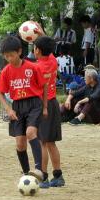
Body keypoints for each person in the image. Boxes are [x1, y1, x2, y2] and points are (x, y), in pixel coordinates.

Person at [0, 36, 47, 180]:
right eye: (6, 56)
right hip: (17, 106)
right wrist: (9, 109)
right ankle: (26, 174)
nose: (9, 58)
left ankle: (39, 170)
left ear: (19, 51)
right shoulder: (6, 71)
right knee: (20, 143)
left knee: (31, 132)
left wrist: (44, 107)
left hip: (34, 104)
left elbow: (44, 86)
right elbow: (0, 93)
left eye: (11, 55)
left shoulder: (33, 67)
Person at [34, 36, 65, 188]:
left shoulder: (37, 67)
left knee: (42, 143)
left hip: (42, 105)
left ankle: (43, 177)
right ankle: (58, 176)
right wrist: (41, 32)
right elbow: (49, 48)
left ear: (37, 50)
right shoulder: (53, 61)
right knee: (51, 142)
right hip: (53, 103)